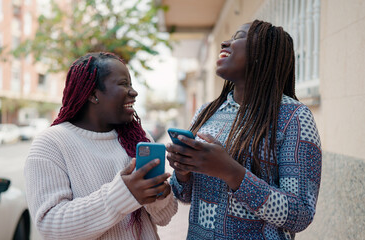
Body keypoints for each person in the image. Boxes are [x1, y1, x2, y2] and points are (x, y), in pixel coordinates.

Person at [166, 20, 322, 239]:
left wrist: (231, 172)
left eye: (238, 37)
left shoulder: (294, 116)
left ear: (262, 53)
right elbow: (184, 195)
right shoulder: (206, 112)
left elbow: (301, 214)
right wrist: (182, 172)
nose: (224, 42)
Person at [24, 52, 177, 240]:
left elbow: (165, 218)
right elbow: (51, 226)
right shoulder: (51, 144)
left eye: (131, 84)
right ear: (93, 94)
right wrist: (123, 195)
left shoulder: (139, 138)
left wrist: (159, 194)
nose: (133, 92)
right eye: (123, 84)